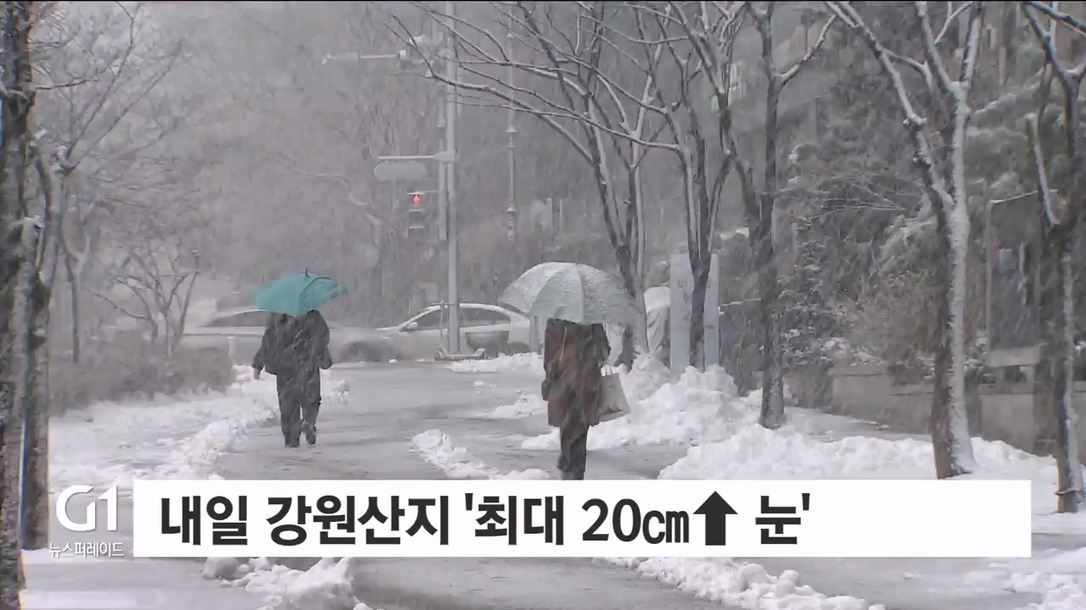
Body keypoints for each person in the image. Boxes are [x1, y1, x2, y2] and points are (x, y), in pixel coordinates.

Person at [252, 309, 333, 447]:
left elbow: (267, 341)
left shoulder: (276, 317)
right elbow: (324, 335)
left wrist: (258, 364)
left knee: (288, 406)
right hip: (308, 364)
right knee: (311, 399)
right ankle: (308, 421)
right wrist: (315, 349)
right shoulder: (312, 314)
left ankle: (291, 439)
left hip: (285, 368)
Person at [542, 318, 610, 480]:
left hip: (564, 385)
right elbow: (604, 351)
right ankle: (574, 469)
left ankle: (568, 466)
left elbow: (548, 357)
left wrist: (555, 368)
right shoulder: (591, 322)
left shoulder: (555, 323)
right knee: (579, 429)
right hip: (585, 385)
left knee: (568, 428)